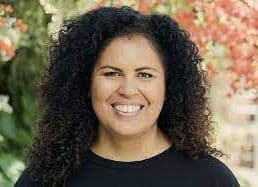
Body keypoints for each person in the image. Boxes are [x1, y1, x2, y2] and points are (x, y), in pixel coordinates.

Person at [14, 6, 240, 187]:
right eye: (112, 73)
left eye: (145, 74)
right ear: (85, 81)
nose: (128, 89)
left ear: (168, 86)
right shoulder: (43, 180)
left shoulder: (210, 180)